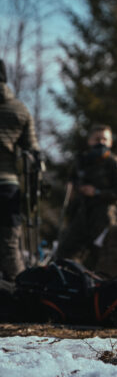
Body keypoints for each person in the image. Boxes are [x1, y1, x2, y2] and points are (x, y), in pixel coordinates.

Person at [58, 124, 117, 268]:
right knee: (65, 253)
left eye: (105, 139)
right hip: (81, 215)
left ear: (110, 142)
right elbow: (71, 183)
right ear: (90, 141)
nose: (101, 142)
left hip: (103, 217)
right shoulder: (82, 162)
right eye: (97, 139)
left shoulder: (116, 163)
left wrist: (97, 192)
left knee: (102, 259)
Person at [0, 59, 39, 279]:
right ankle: (21, 298)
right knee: (10, 245)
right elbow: (33, 152)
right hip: (8, 186)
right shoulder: (19, 109)